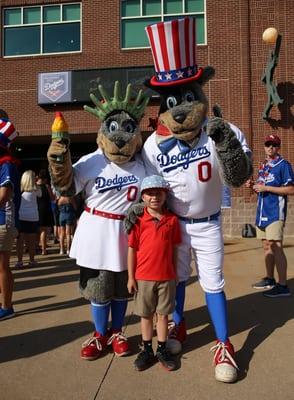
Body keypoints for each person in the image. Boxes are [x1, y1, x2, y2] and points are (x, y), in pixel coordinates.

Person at [128, 175, 181, 371]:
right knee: (146, 315)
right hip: (143, 277)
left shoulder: (172, 220)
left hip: (166, 277)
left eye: (158, 193)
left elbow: (175, 249)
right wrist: (131, 277)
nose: (154, 197)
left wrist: (174, 273)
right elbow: (132, 249)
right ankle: (147, 349)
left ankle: (162, 348)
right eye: (149, 193)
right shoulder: (138, 221)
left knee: (163, 315)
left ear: (165, 195)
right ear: (143, 197)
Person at [249, 134, 294, 297]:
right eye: (268, 144)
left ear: (278, 147)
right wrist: (253, 186)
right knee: (267, 246)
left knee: (276, 246)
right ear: (264, 146)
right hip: (262, 212)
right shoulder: (264, 166)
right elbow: (262, 187)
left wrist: (266, 189)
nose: (270, 147)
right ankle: (270, 278)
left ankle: (283, 286)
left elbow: (291, 189)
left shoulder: (284, 165)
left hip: (275, 212)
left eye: (274, 145)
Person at [0, 110, 20, 320]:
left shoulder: (6, 163)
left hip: (2, 221)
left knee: (2, 266)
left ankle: (6, 306)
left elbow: (4, 195)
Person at [16, 170, 41, 268]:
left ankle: (19, 261)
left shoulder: (19, 190)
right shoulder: (36, 190)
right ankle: (31, 260)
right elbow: (41, 194)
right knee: (31, 241)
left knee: (20, 241)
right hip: (32, 218)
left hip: (20, 217)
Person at [36, 169, 54, 255]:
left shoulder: (34, 186)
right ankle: (44, 250)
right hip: (46, 209)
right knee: (43, 230)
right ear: (46, 179)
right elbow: (52, 198)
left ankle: (35, 247)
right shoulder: (47, 187)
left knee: (36, 230)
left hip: (36, 209)